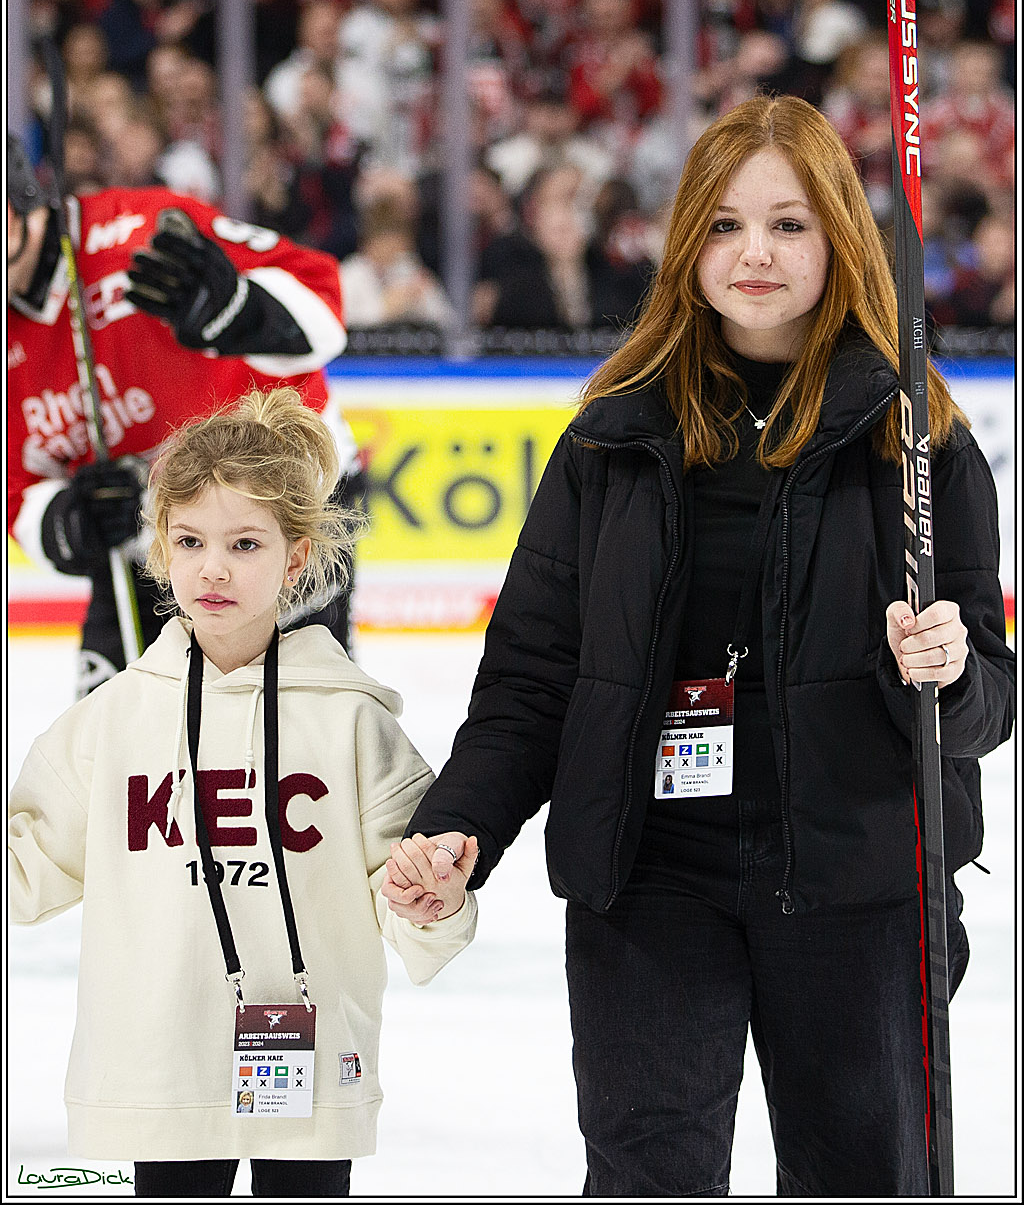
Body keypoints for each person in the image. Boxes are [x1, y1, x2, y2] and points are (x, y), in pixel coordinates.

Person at [383, 94, 1014, 1196]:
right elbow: (532, 675)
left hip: (860, 888)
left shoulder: (915, 439)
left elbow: (988, 704)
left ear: (838, 240)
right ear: (686, 244)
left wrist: (949, 672)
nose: (753, 254)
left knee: (869, 1177)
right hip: (652, 881)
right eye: (723, 226)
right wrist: (456, 827)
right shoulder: (612, 436)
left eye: (788, 225)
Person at [8, 388, 477, 1199]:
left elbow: (416, 897)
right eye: (189, 540)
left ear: (296, 559)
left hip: (314, 1064)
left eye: (245, 542)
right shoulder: (111, 719)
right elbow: (26, 869)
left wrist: (433, 900)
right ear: (160, 549)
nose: (213, 567)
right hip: (162, 1072)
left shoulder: (353, 722)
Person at [7, 137, 359, 699]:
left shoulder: (139, 229)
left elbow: (322, 305)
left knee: (288, 724)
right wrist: (73, 521)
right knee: (113, 735)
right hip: (148, 542)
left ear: (24, 200)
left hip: (280, 500)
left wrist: (237, 310)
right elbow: (19, 491)